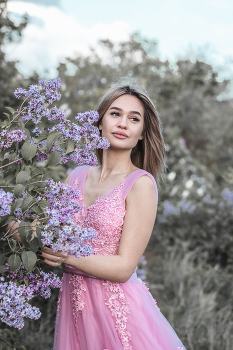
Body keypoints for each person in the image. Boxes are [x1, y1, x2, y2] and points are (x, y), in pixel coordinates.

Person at [41, 78, 186, 350]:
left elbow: (124, 268)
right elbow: (44, 226)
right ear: (99, 121)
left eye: (134, 119)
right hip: (75, 308)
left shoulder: (141, 184)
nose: (122, 124)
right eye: (115, 114)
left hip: (119, 312)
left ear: (142, 132)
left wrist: (66, 256)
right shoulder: (76, 175)